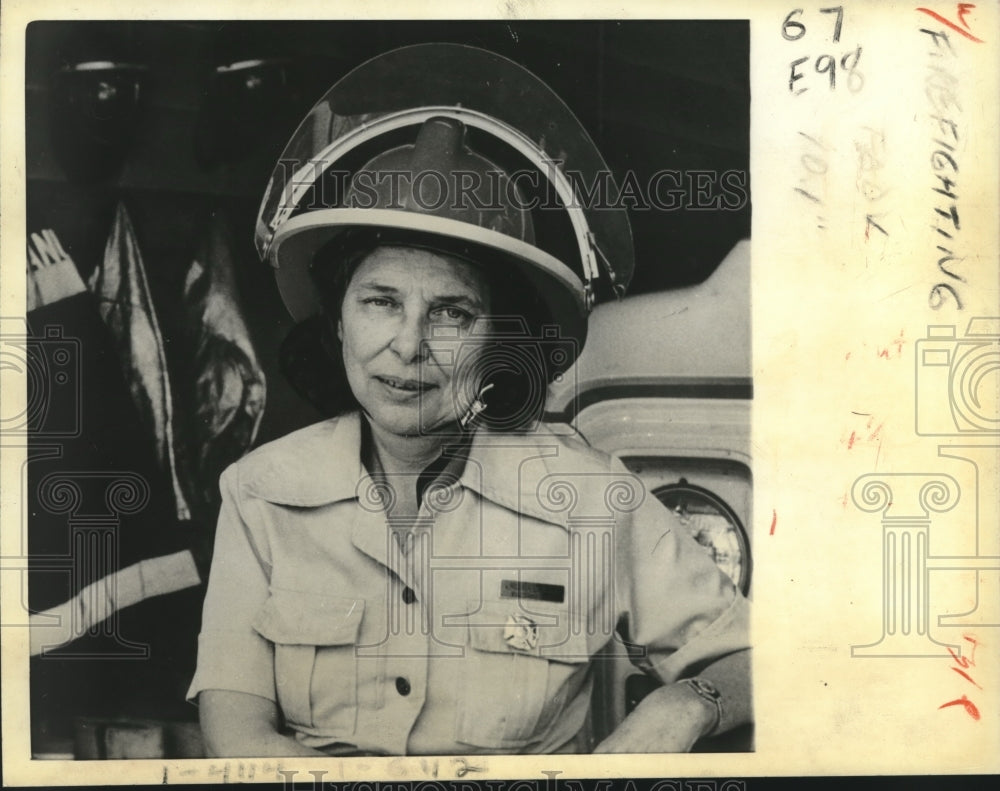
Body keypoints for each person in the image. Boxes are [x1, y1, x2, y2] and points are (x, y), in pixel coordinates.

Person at [187, 45, 751, 756]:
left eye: (451, 312)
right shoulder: (259, 495)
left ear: (499, 342)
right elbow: (235, 731)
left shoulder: (588, 494)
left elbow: (757, 658)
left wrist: (685, 703)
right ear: (338, 321)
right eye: (380, 302)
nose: (408, 344)